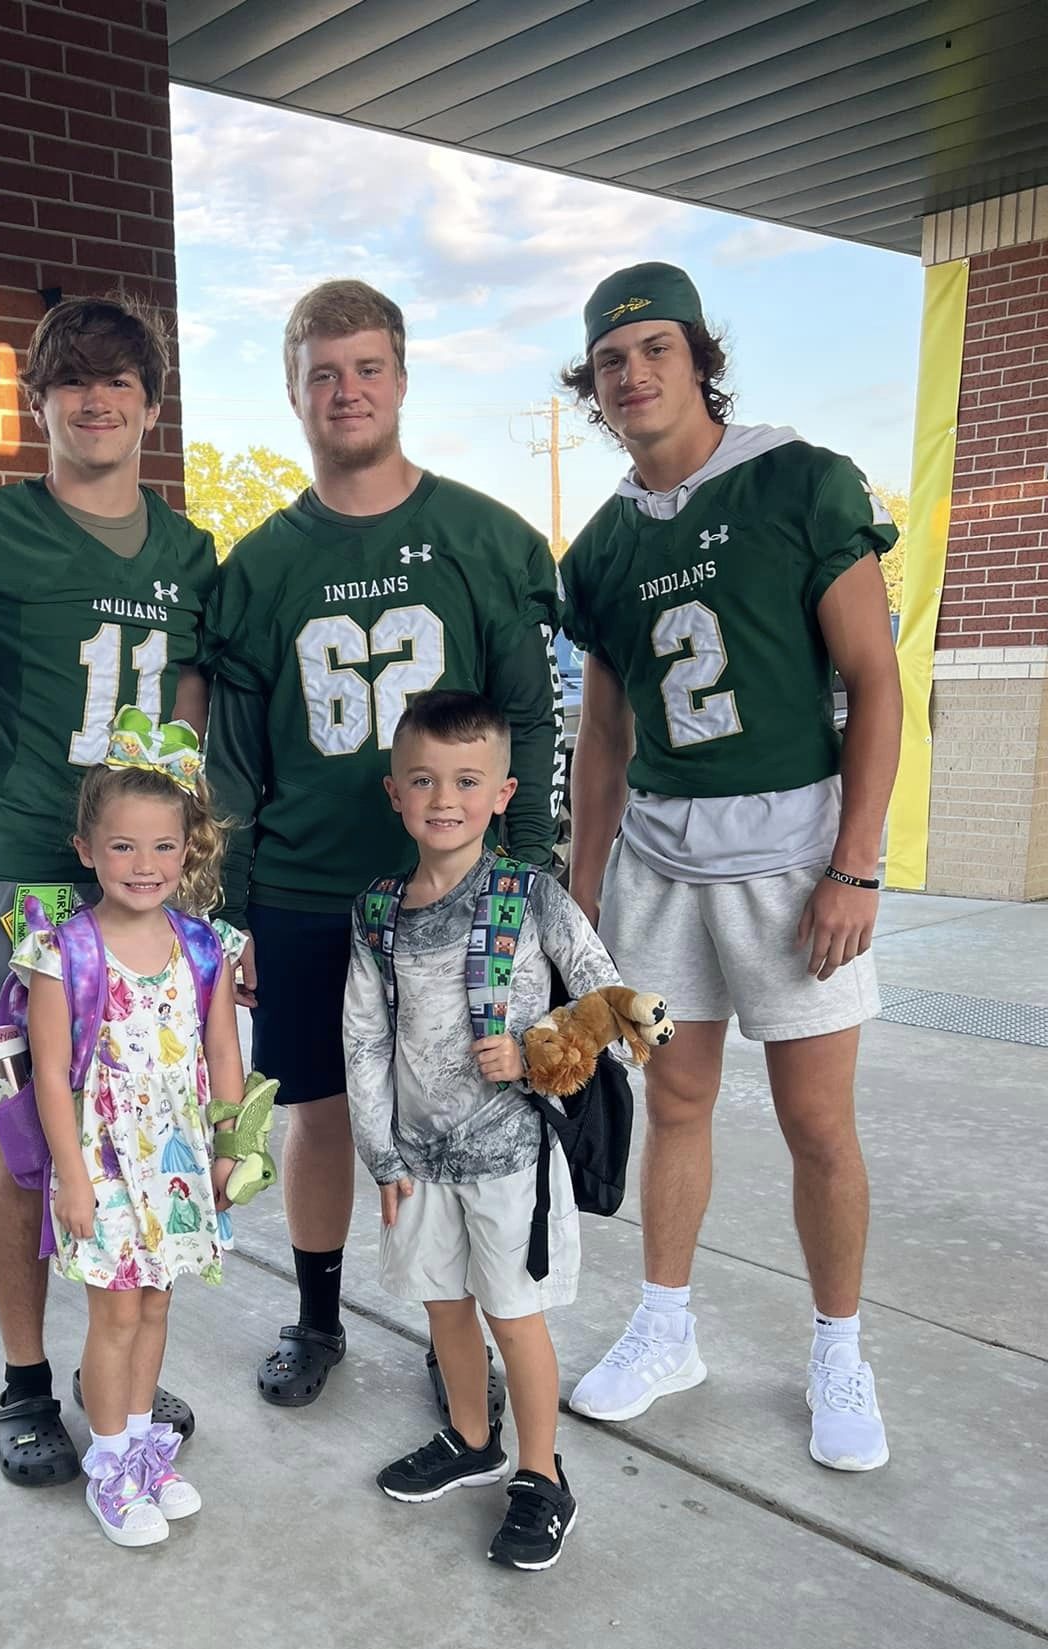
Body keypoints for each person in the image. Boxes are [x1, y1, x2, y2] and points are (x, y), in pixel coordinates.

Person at [559, 261, 902, 1471]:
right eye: (610, 360)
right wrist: (581, 887)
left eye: (654, 347)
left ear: (699, 355)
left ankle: (838, 1347)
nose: (633, 373)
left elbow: (873, 679)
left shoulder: (800, 481)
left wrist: (855, 866)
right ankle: (667, 1326)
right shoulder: (601, 543)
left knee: (817, 1120)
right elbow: (603, 731)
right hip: (660, 856)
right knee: (678, 1099)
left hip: (793, 850)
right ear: (591, 387)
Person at [205, 279, 565, 1411]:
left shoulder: (480, 539)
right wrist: (237, 903)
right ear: (293, 391)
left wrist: (535, 868)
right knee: (316, 1107)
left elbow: (532, 715)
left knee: (463, 1109)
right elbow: (231, 764)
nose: (345, 390)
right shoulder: (258, 566)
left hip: (455, 891)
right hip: (311, 885)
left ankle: (453, 1330)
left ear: (403, 379)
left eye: (366, 367)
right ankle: (317, 1317)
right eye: (323, 371)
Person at [0, 297, 218, 1488]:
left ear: (152, 408)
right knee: (25, 1144)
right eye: (73, 383)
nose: (97, 403)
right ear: (39, 403)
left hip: (147, 888)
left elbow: (191, 722)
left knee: (147, 1125)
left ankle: (124, 1368)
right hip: (29, 882)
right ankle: (23, 1377)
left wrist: (190, 886)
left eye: (119, 384)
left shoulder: (189, 551)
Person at [342, 693, 624, 1568]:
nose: (444, 798)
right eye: (424, 780)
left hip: (512, 1162)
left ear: (503, 792)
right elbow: (363, 1035)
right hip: (419, 1162)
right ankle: (472, 1437)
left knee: (514, 1316)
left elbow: (610, 1001)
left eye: (467, 780)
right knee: (445, 1309)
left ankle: (542, 1475)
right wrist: (379, 1150)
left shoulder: (531, 895)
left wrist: (541, 1053)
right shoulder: (379, 911)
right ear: (395, 793)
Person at [16, 711, 246, 1548]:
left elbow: (223, 1054)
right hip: (106, 1164)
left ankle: (146, 1443)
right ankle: (108, 1465)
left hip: (178, 1161)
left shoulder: (205, 946)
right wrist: (71, 1180)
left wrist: (231, 1148)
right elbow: (50, 1075)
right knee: (113, 1317)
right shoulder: (62, 954)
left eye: (161, 846)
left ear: (189, 849)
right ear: (86, 848)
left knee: (156, 1305)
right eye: (122, 847)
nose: (143, 865)